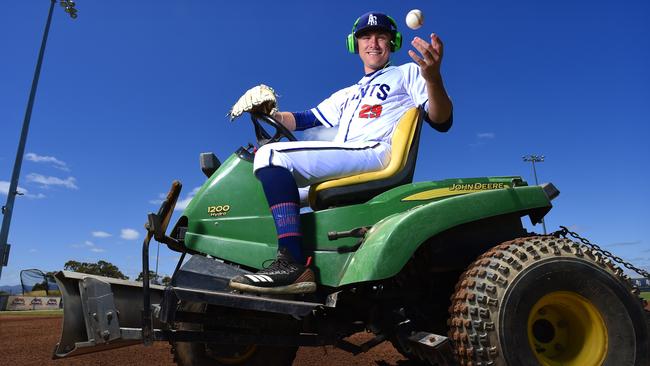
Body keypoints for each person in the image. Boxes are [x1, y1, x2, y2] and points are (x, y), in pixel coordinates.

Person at [228, 11, 453, 295]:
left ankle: (293, 264)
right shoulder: (348, 93)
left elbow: (441, 119)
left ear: (393, 43)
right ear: (354, 44)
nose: (373, 43)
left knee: (273, 156)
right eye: (366, 37)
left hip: (375, 152)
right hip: (353, 156)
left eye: (381, 37)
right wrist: (269, 112)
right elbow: (305, 118)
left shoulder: (409, 72)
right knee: (260, 190)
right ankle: (255, 265)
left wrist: (432, 78)